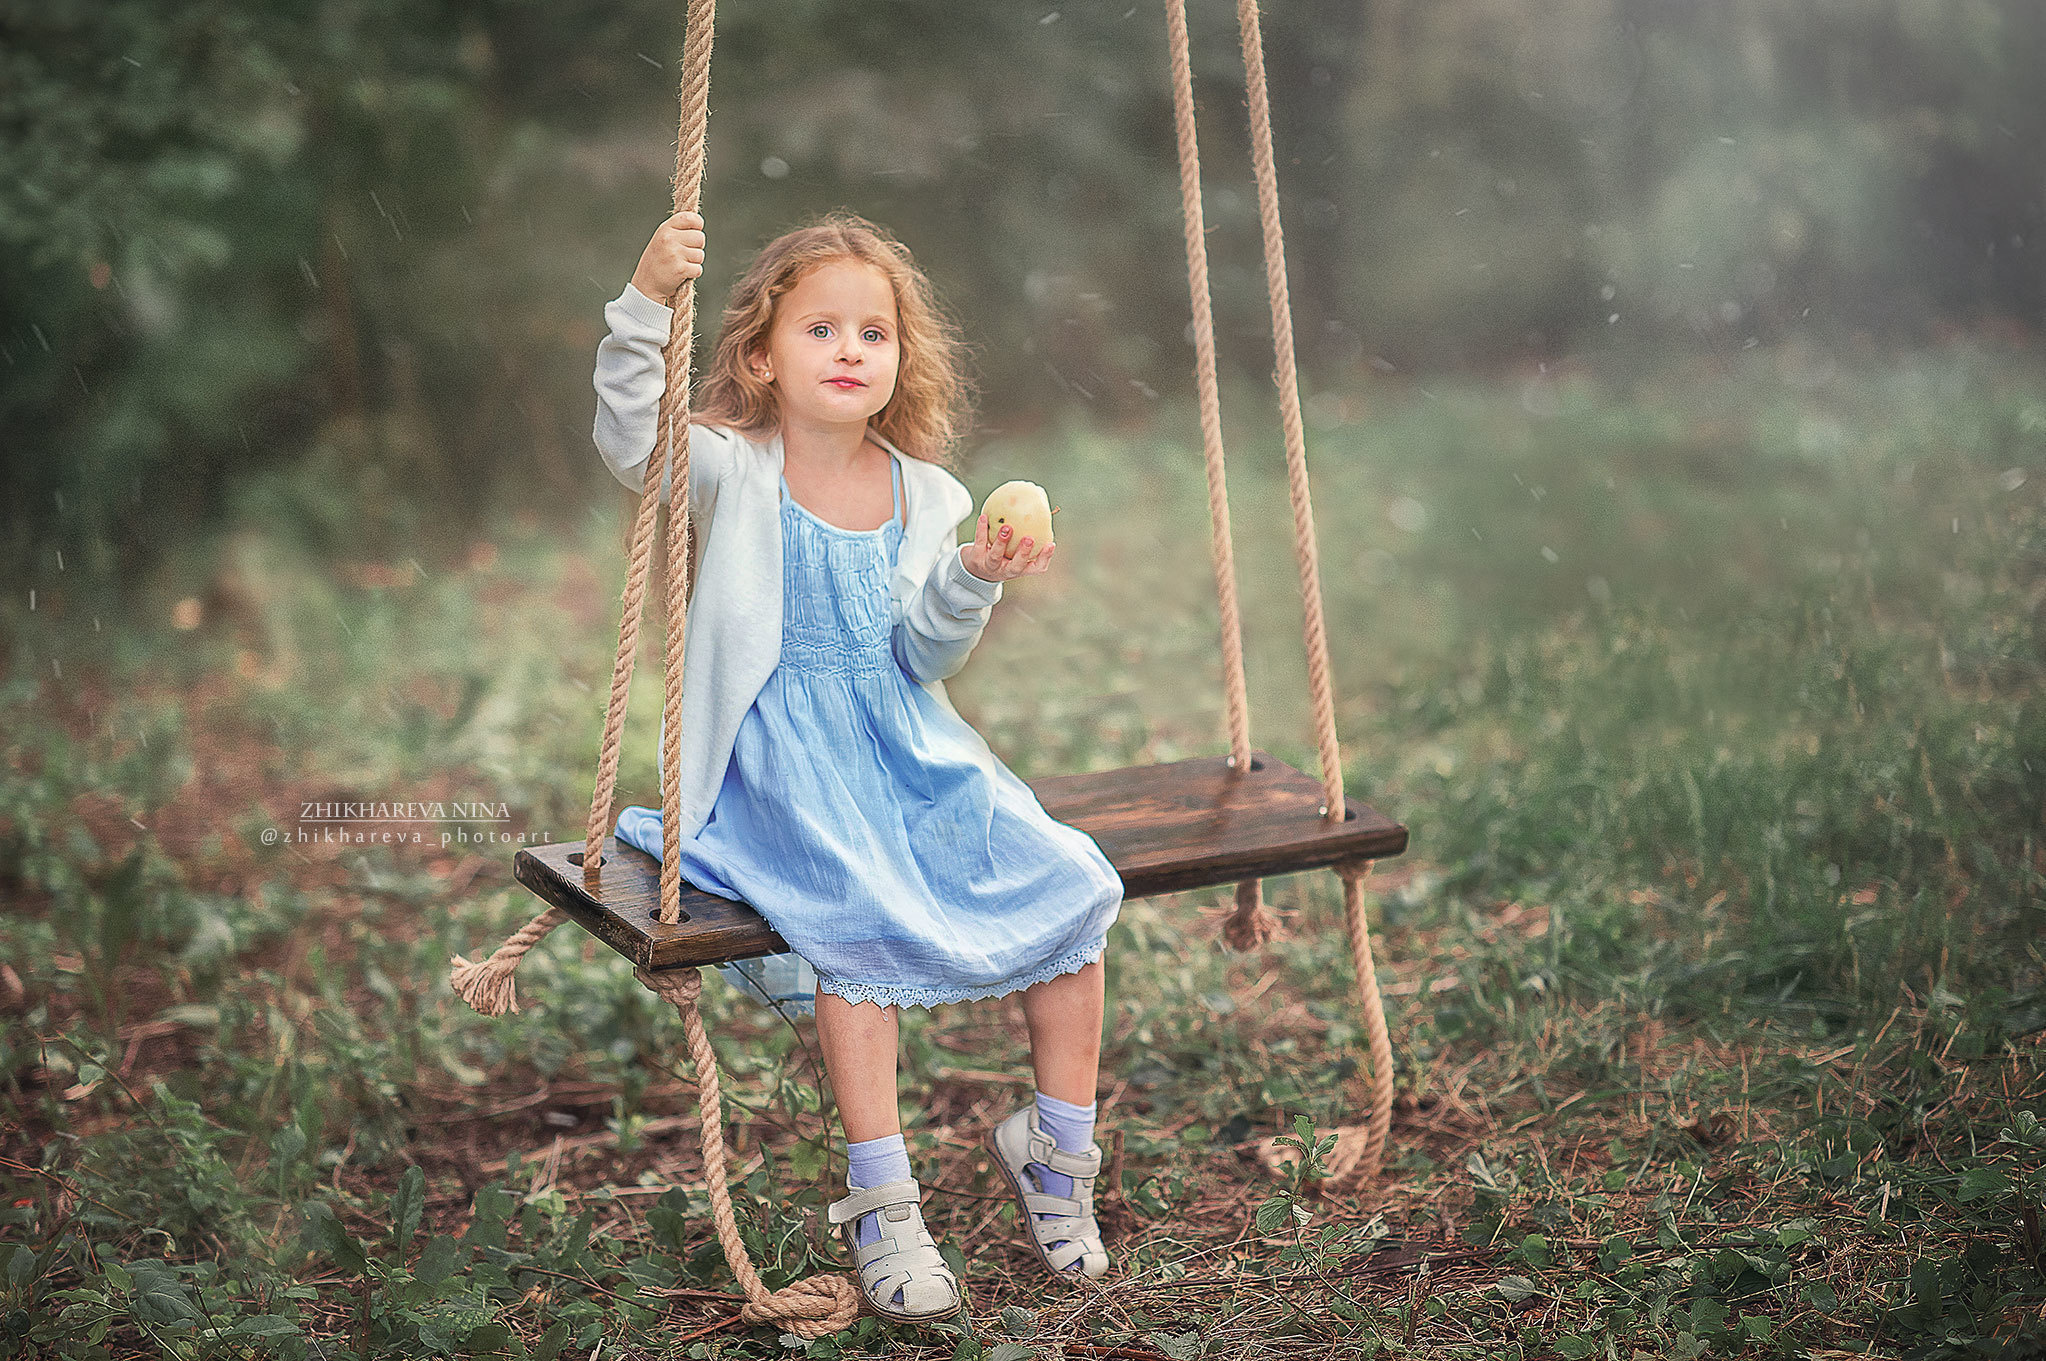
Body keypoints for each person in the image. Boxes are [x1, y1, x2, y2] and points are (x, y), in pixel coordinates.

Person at [591, 207, 1126, 1323]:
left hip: (902, 746)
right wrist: (644, 301)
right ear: (758, 354)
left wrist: (972, 569)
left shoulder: (924, 492)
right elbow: (630, 436)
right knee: (852, 918)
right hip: (776, 762)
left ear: (900, 358)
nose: (848, 349)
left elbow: (924, 650)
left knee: (1074, 884)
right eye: (820, 327)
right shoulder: (732, 469)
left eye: (872, 333)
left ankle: (1056, 1152)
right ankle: (885, 1200)